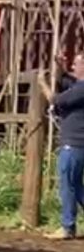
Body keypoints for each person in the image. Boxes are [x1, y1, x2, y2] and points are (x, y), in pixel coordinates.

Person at [41, 53, 84, 240]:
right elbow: (67, 81)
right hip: (77, 144)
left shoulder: (82, 89)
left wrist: (42, 83)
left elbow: (55, 99)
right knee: (75, 184)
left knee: (67, 185)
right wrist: (60, 67)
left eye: (76, 64)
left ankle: (67, 227)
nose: (73, 67)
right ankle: (68, 225)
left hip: (73, 143)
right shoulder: (78, 87)